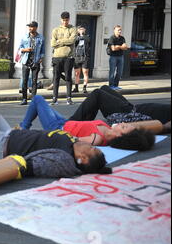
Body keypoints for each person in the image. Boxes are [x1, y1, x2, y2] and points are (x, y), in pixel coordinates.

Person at [0, 104, 111, 176]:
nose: (90, 146)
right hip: (10, 135)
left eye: (93, 149)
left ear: (83, 158)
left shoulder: (64, 160)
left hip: (1, 148)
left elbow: (34, 167)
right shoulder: (72, 143)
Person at [19, 95, 155, 151]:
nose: (122, 123)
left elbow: (71, 141)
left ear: (120, 136)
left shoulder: (98, 138)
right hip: (65, 122)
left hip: (57, 127)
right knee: (42, 104)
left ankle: (23, 129)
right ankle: (23, 127)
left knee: (37, 99)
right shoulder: (107, 127)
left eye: (124, 126)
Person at [69, 85, 171, 127]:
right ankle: (84, 125)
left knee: (98, 94)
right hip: (132, 107)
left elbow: (164, 127)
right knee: (104, 87)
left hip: (131, 114)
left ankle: (71, 124)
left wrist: (162, 127)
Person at [51, 11, 77, 105]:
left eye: (66, 20)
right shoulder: (56, 30)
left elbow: (72, 40)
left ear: (69, 19)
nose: (65, 22)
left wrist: (60, 41)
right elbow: (52, 43)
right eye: (63, 20)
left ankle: (69, 98)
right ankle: (54, 98)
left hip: (68, 57)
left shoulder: (73, 29)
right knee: (56, 78)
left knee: (68, 78)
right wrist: (65, 41)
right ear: (61, 20)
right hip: (57, 57)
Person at [18, 21, 45, 105]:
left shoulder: (41, 38)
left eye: (32, 27)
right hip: (26, 61)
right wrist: (26, 49)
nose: (30, 28)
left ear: (36, 27)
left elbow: (43, 51)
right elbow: (19, 49)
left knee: (34, 81)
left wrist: (41, 58)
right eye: (29, 27)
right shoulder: (24, 37)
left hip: (35, 61)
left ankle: (33, 100)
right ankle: (24, 99)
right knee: (25, 80)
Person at [107, 25, 128, 90]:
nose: (120, 31)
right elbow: (113, 49)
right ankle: (111, 86)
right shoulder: (112, 38)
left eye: (120, 30)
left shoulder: (122, 38)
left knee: (119, 72)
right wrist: (120, 46)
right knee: (112, 72)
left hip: (120, 57)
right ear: (114, 30)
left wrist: (117, 46)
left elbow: (125, 47)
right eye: (118, 30)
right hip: (113, 57)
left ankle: (116, 85)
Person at [72, 25, 91, 94]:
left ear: (85, 30)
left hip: (85, 57)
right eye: (80, 29)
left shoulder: (87, 37)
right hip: (77, 57)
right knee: (77, 73)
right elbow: (74, 42)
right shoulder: (75, 37)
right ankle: (76, 88)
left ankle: (84, 88)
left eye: (82, 29)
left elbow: (88, 41)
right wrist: (79, 35)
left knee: (85, 73)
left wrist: (82, 35)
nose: (81, 30)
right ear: (78, 30)